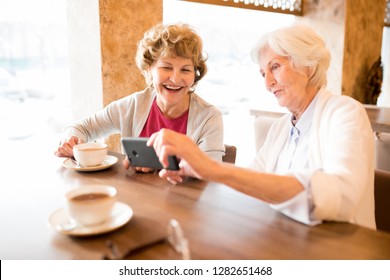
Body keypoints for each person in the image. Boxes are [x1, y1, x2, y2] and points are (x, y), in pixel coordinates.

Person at [148, 25, 376, 230]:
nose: (268, 84)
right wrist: (194, 169)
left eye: (275, 67)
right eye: (263, 74)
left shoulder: (345, 112)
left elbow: (340, 197)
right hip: (285, 241)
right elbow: (249, 182)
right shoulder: (280, 128)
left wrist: (212, 168)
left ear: (307, 65)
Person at [54, 23, 225, 171]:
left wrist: (162, 165)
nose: (175, 78)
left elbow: (211, 174)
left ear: (195, 74)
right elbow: (83, 128)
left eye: (185, 70)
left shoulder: (209, 117)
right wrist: (71, 141)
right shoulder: (132, 106)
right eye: (166, 67)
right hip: (135, 199)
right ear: (149, 69)